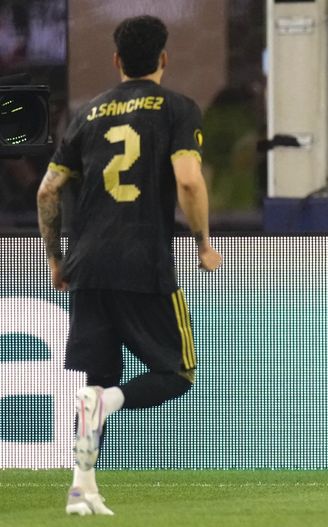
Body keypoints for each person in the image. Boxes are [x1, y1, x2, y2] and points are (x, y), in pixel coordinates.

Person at [36, 15, 222, 516]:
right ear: (164, 58)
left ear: (117, 61)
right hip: (143, 259)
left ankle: (82, 488)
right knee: (178, 371)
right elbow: (188, 179)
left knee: (94, 379)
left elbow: (48, 189)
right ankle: (110, 408)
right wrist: (204, 243)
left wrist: (56, 258)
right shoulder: (177, 108)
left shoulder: (87, 113)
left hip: (88, 264)